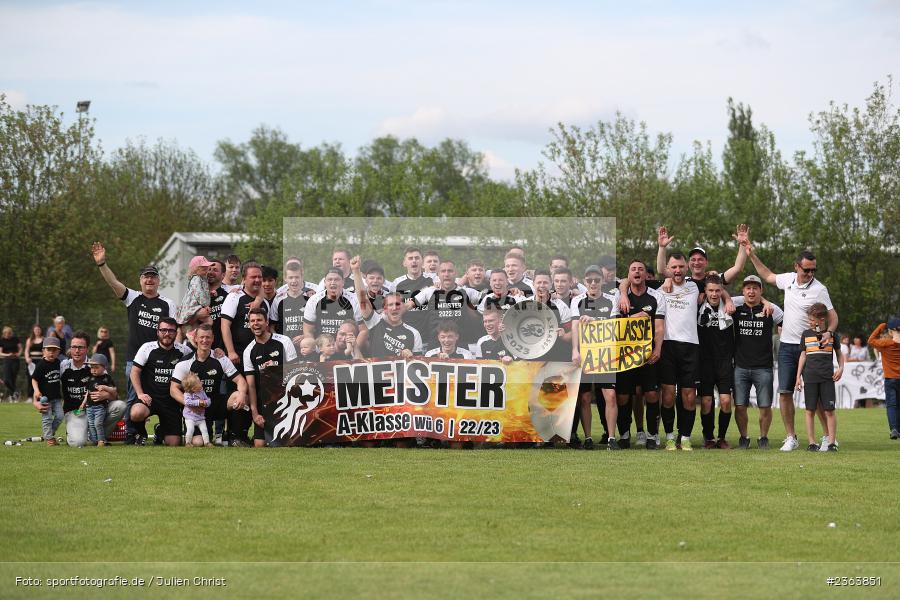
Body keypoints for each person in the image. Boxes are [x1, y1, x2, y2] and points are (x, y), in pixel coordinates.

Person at [744, 243, 839, 452]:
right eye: (807, 269)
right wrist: (751, 255)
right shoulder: (788, 279)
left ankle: (827, 437)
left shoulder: (819, 289)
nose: (810, 273)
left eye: (814, 269)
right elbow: (766, 275)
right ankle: (791, 437)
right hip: (787, 346)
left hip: (811, 347)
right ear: (797, 266)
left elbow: (833, 318)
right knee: (785, 392)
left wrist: (828, 332)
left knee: (818, 395)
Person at [92, 242, 176, 444]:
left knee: (166, 397)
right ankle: (133, 433)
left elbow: (176, 331)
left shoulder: (168, 303)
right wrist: (102, 264)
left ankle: (164, 429)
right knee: (133, 398)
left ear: (158, 280)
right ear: (140, 280)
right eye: (146, 276)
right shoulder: (133, 298)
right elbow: (114, 283)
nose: (149, 279)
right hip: (134, 361)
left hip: (161, 360)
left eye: (153, 276)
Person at [170, 324, 248, 447]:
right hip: (196, 409)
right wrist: (190, 404)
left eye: (208, 337)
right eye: (201, 337)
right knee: (198, 443)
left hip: (215, 403)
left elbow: (241, 381)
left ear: (213, 339)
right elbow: (173, 389)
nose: (204, 340)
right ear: (195, 338)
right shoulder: (185, 362)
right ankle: (206, 435)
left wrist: (242, 394)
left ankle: (235, 436)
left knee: (239, 396)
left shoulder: (220, 358)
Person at [616, 260, 666, 450]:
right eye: (633, 269)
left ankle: (652, 435)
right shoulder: (619, 297)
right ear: (628, 275)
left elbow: (659, 327)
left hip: (647, 355)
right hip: (624, 355)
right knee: (623, 397)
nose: (637, 272)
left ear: (646, 275)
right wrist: (635, 317)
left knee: (652, 394)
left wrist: (658, 349)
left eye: (641, 269)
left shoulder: (656, 297)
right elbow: (614, 327)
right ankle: (624, 434)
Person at [570, 265, 619, 450]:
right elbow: (575, 326)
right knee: (584, 397)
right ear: (584, 281)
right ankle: (588, 438)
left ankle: (611, 438)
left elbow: (615, 326)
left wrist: (595, 321)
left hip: (606, 354)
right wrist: (575, 350)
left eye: (596, 280)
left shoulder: (611, 300)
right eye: (589, 280)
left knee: (611, 395)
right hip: (585, 354)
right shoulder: (577, 301)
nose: (593, 283)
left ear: (602, 281)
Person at [732, 275, 783, 449]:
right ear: (743, 291)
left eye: (755, 288)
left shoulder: (771, 310)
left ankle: (763, 438)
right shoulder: (736, 308)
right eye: (748, 288)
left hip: (764, 367)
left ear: (761, 291)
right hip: (740, 366)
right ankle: (744, 438)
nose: (751, 291)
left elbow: (786, 324)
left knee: (765, 406)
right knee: (739, 406)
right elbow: (718, 293)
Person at [656, 253, 701, 451]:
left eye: (681, 266)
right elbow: (628, 282)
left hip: (691, 346)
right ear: (668, 268)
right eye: (673, 267)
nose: (677, 270)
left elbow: (722, 282)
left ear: (686, 268)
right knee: (667, 395)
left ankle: (685, 437)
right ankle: (669, 436)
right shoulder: (661, 288)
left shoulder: (695, 285)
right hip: (668, 346)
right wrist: (662, 247)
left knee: (689, 396)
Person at [129, 318, 190, 446]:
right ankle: (141, 433)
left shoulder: (184, 351)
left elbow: (201, 357)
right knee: (136, 412)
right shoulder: (147, 348)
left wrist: (218, 352)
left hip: (171, 402)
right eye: (163, 330)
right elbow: (134, 372)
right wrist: (140, 394)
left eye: (171, 331)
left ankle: (159, 431)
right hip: (149, 399)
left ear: (176, 332)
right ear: (157, 332)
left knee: (174, 443)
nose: (167, 333)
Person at [242, 308, 297, 447]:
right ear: (249, 324)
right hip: (264, 404)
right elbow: (251, 386)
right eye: (252, 321)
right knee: (259, 445)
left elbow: (295, 374)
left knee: (288, 444)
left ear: (266, 322)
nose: (256, 323)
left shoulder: (284, 341)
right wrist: (255, 413)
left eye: (259, 320)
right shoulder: (248, 351)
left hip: (286, 401)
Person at [795, 303, 843, 452]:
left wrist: (841, 368)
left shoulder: (833, 336)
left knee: (829, 410)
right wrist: (798, 377)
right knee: (810, 410)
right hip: (809, 377)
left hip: (827, 378)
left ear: (821, 319)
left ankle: (831, 443)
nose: (809, 322)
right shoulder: (806, 334)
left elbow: (840, 355)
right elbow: (803, 355)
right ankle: (812, 442)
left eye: (811, 319)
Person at [696, 275, 735, 449]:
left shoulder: (730, 307)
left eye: (717, 290)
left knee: (726, 401)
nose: (714, 294)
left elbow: (756, 298)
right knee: (706, 402)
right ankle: (709, 437)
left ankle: (722, 437)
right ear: (705, 291)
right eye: (710, 290)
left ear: (722, 291)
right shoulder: (696, 306)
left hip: (724, 362)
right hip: (704, 362)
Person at [303, 268, 364, 339]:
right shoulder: (314, 300)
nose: (333, 282)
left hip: (347, 346)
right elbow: (308, 331)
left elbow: (363, 330)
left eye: (336, 279)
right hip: (321, 348)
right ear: (325, 282)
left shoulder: (354, 300)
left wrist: (355, 349)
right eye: (330, 279)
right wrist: (315, 348)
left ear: (343, 282)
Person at [867, 318, 900, 439]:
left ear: (890, 331)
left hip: (890, 378)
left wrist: (881, 326)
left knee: (892, 405)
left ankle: (894, 429)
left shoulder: (886, 343)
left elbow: (871, 341)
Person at [270, 259, 313, 343]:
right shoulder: (278, 299)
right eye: (291, 277)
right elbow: (272, 327)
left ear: (302, 277)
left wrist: (306, 336)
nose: (294, 281)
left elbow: (316, 325)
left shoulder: (310, 299)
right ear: (285, 278)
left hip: (305, 348)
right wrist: (281, 342)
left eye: (297, 277)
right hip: (285, 349)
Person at [31, 336, 63, 445]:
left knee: (59, 416)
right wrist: (36, 391)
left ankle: (48, 434)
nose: (51, 352)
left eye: (54, 350)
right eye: (49, 350)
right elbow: (34, 379)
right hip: (45, 398)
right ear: (43, 351)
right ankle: (49, 438)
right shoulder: (41, 365)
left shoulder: (58, 363)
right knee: (47, 418)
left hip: (57, 397)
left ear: (58, 351)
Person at [79, 354, 116, 447]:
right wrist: (83, 403)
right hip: (89, 406)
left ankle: (101, 440)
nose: (93, 370)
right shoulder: (90, 378)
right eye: (92, 367)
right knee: (91, 424)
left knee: (97, 423)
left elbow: (114, 391)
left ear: (104, 367)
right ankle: (95, 441)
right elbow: (88, 392)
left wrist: (105, 387)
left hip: (100, 407)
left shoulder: (107, 378)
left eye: (96, 367)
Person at [175, 255, 214, 341]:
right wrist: (205, 305)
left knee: (207, 321)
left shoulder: (202, 279)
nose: (206, 271)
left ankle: (194, 333)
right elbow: (199, 293)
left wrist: (209, 293)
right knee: (209, 321)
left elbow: (201, 292)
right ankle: (194, 333)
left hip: (196, 306)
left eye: (207, 268)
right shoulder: (196, 279)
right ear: (196, 270)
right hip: (193, 306)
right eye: (203, 269)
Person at [179, 372, 212, 447]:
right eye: (199, 382)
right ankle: (188, 442)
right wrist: (198, 402)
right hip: (190, 417)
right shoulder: (187, 394)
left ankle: (207, 442)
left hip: (200, 417)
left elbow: (209, 400)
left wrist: (206, 403)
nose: (202, 382)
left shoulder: (202, 392)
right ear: (193, 388)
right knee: (190, 429)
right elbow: (187, 402)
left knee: (204, 430)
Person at [0, 326, 22, 400]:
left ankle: (13, 396)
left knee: (13, 379)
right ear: (3, 334)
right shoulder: (2, 340)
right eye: (6, 333)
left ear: (11, 333)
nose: (7, 335)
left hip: (15, 360)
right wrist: (7, 355)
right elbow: (0, 353)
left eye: (9, 333)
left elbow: (20, 348)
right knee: (6, 380)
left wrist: (18, 354)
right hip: (7, 360)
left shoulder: (15, 339)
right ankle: (16, 391)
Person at [24, 324, 44, 397]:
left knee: (40, 379)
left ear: (41, 330)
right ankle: (29, 396)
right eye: (36, 330)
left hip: (40, 361)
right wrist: (27, 358)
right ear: (33, 331)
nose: (37, 331)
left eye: (38, 329)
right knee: (30, 378)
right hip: (31, 362)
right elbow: (26, 350)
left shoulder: (44, 339)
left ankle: (39, 396)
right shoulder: (29, 340)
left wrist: (44, 358)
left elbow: (45, 351)